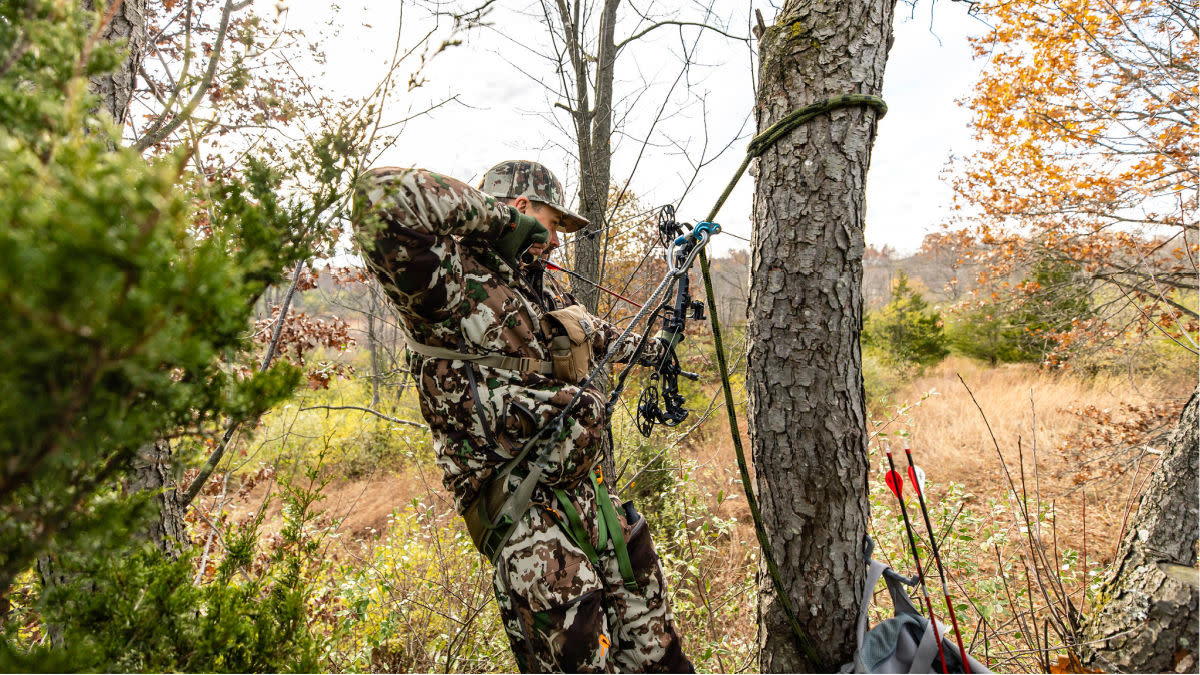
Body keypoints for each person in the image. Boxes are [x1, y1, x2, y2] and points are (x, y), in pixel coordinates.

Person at [353, 160, 692, 673]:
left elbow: (596, 335)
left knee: (662, 657)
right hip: (527, 518)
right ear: (521, 210)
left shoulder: (540, 287)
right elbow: (380, 196)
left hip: (592, 503)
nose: (555, 241)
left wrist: (657, 346)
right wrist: (501, 224)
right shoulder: (446, 284)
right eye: (552, 224)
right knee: (579, 658)